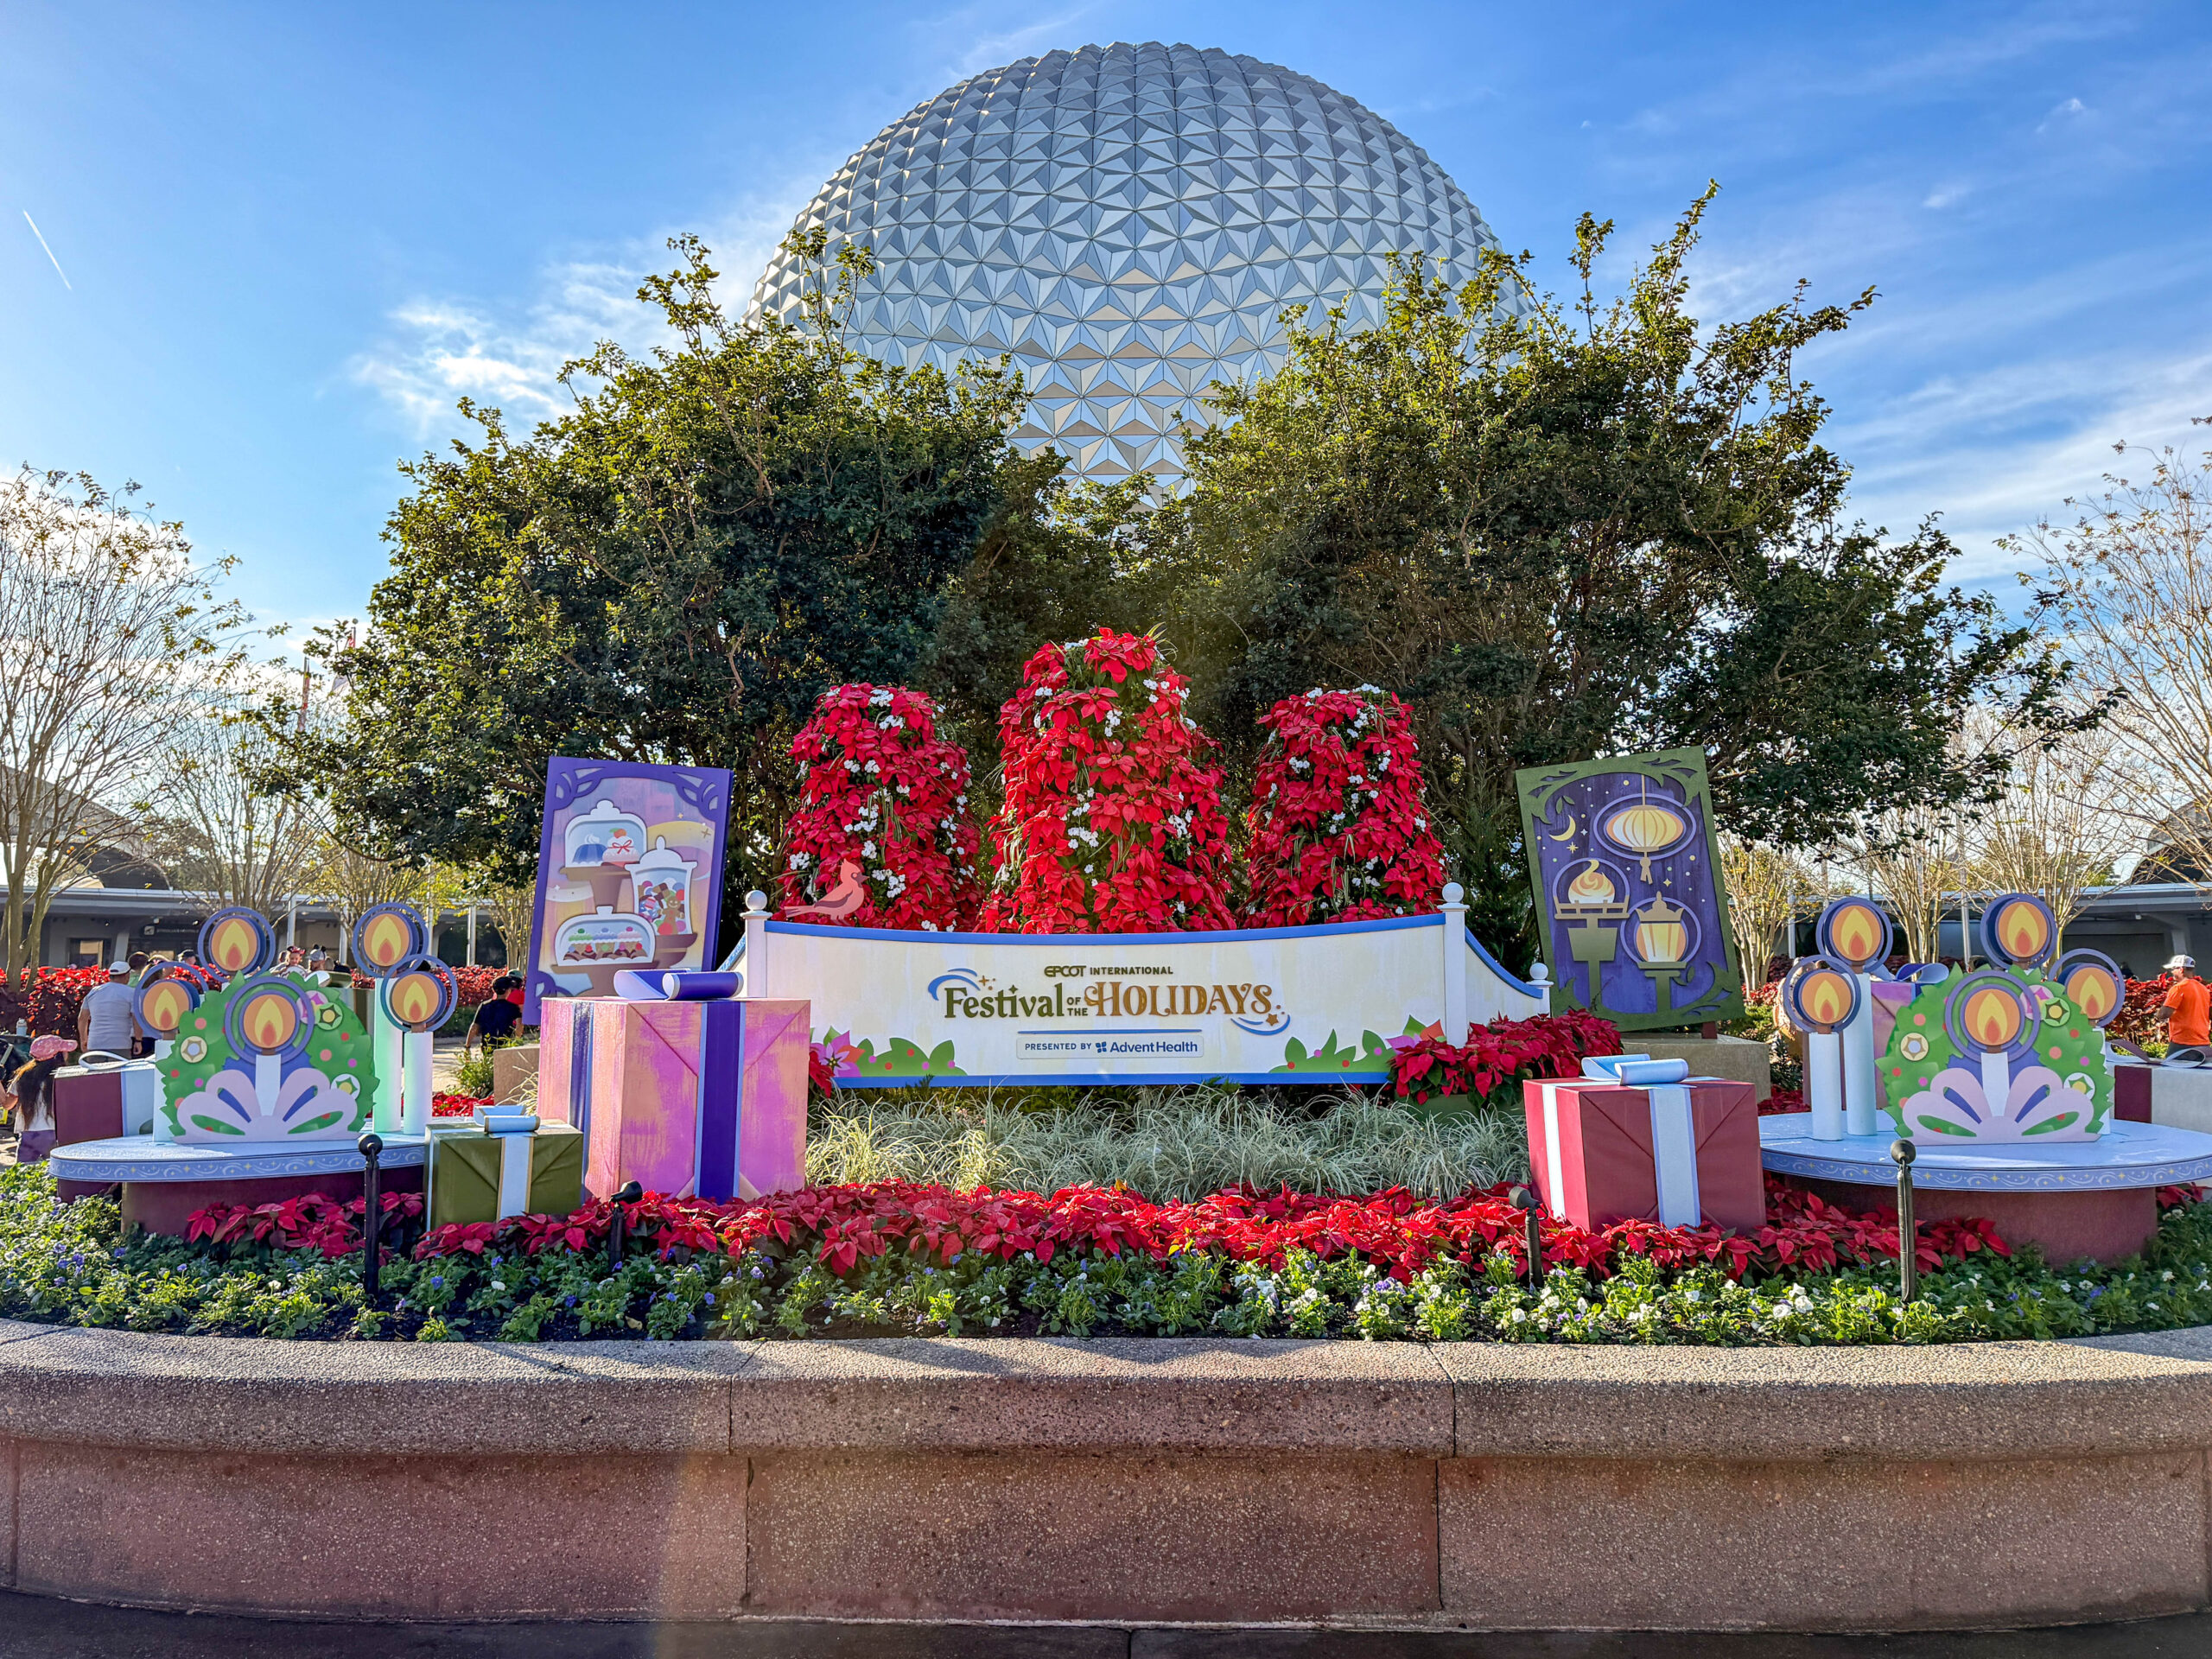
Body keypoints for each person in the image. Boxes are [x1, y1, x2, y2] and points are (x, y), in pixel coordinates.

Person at [7, 1035, 78, 1163]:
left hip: (27, 1134)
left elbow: (7, 1104)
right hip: (54, 1132)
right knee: (53, 1174)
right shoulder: (62, 1077)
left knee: (23, 1174)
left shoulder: (23, 1077)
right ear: (57, 1056)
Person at [77, 961, 141, 1058]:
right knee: (117, 1073)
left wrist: (83, 1040)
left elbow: (82, 1018)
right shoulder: (132, 994)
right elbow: (137, 1019)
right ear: (127, 975)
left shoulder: (94, 992)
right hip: (120, 1045)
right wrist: (138, 1040)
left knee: (97, 1073)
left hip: (95, 1044)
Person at [2162, 956, 2210, 1060]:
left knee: (2172, 1074)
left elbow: (2164, 1014)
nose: (2172, 972)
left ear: (2181, 969)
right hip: (2203, 1044)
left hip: (2182, 1044)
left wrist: (2158, 1013)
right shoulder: (2203, 989)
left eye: (2173, 969)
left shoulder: (2179, 988)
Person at [465, 976, 523, 1056]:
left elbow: (474, 1027)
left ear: (493, 990)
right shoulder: (513, 1007)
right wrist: (517, 1040)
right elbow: (519, 1026)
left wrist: (467, 1046)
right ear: (507, 990)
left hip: (487, 1046)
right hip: (507, 1046)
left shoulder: (484, 1006)